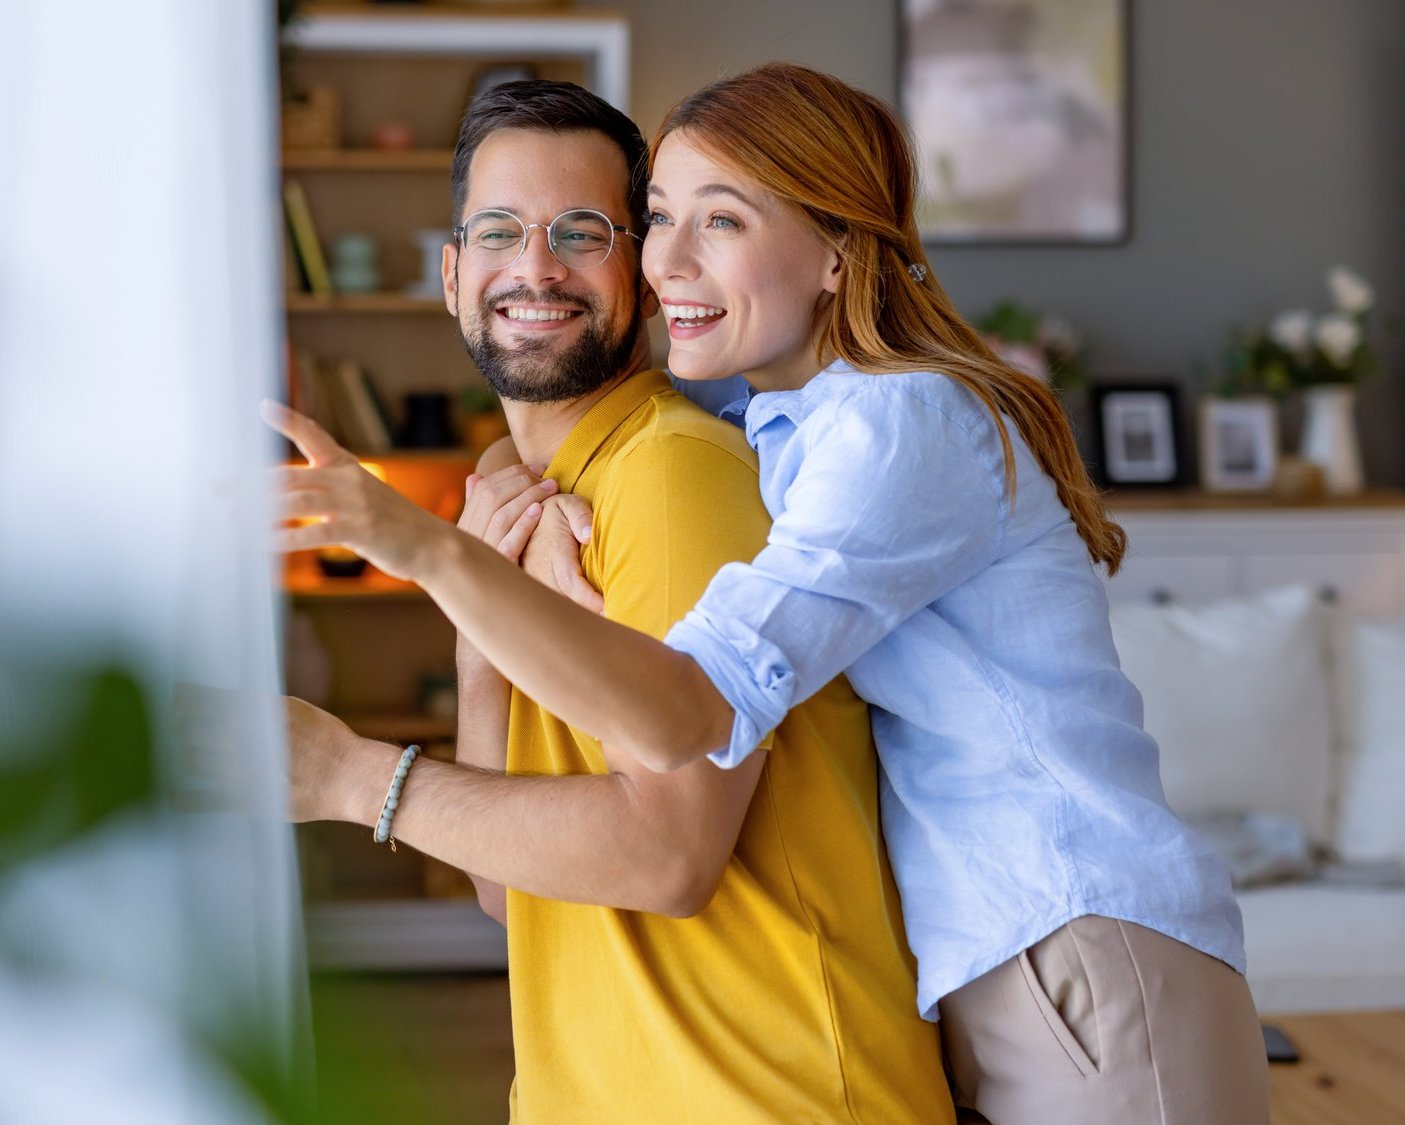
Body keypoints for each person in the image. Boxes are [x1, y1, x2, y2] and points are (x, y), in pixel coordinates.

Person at [277, 64, 1274, 1124]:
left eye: (716, 219)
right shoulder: (777, 424)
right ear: (447, 272)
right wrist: (503, 545)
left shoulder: (885, 428)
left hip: (1072, 941)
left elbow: (695, 718)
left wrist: (422, 579)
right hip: (992, 967)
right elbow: (510, 880)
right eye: (662, 218)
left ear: (838, 253)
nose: (668, 260)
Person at [269, 80, 954, 1124]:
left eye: (581, 233)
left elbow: (668, 855)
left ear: (641, 271)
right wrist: (479, 645)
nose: (535, 268)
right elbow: (511, 892)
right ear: (452, 275)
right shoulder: (544, 498)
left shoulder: (674, 474)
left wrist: (354, 778)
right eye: (498, 232)